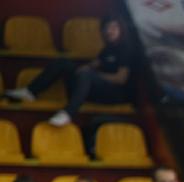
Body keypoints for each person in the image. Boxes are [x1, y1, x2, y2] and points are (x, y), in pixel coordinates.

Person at [4, 15, 135, 126]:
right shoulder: (107, 49)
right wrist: (83, 69)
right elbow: (95, 64)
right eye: (106, 28)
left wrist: (93, 74)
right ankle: (30, 91)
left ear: (121, 30)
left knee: (86, 75)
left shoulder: (125, 49)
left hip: (113, 95)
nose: (109, 31)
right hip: (95, 89)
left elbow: (121, 78)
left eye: (114, 27)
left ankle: (68, 113)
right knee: (64, 62)